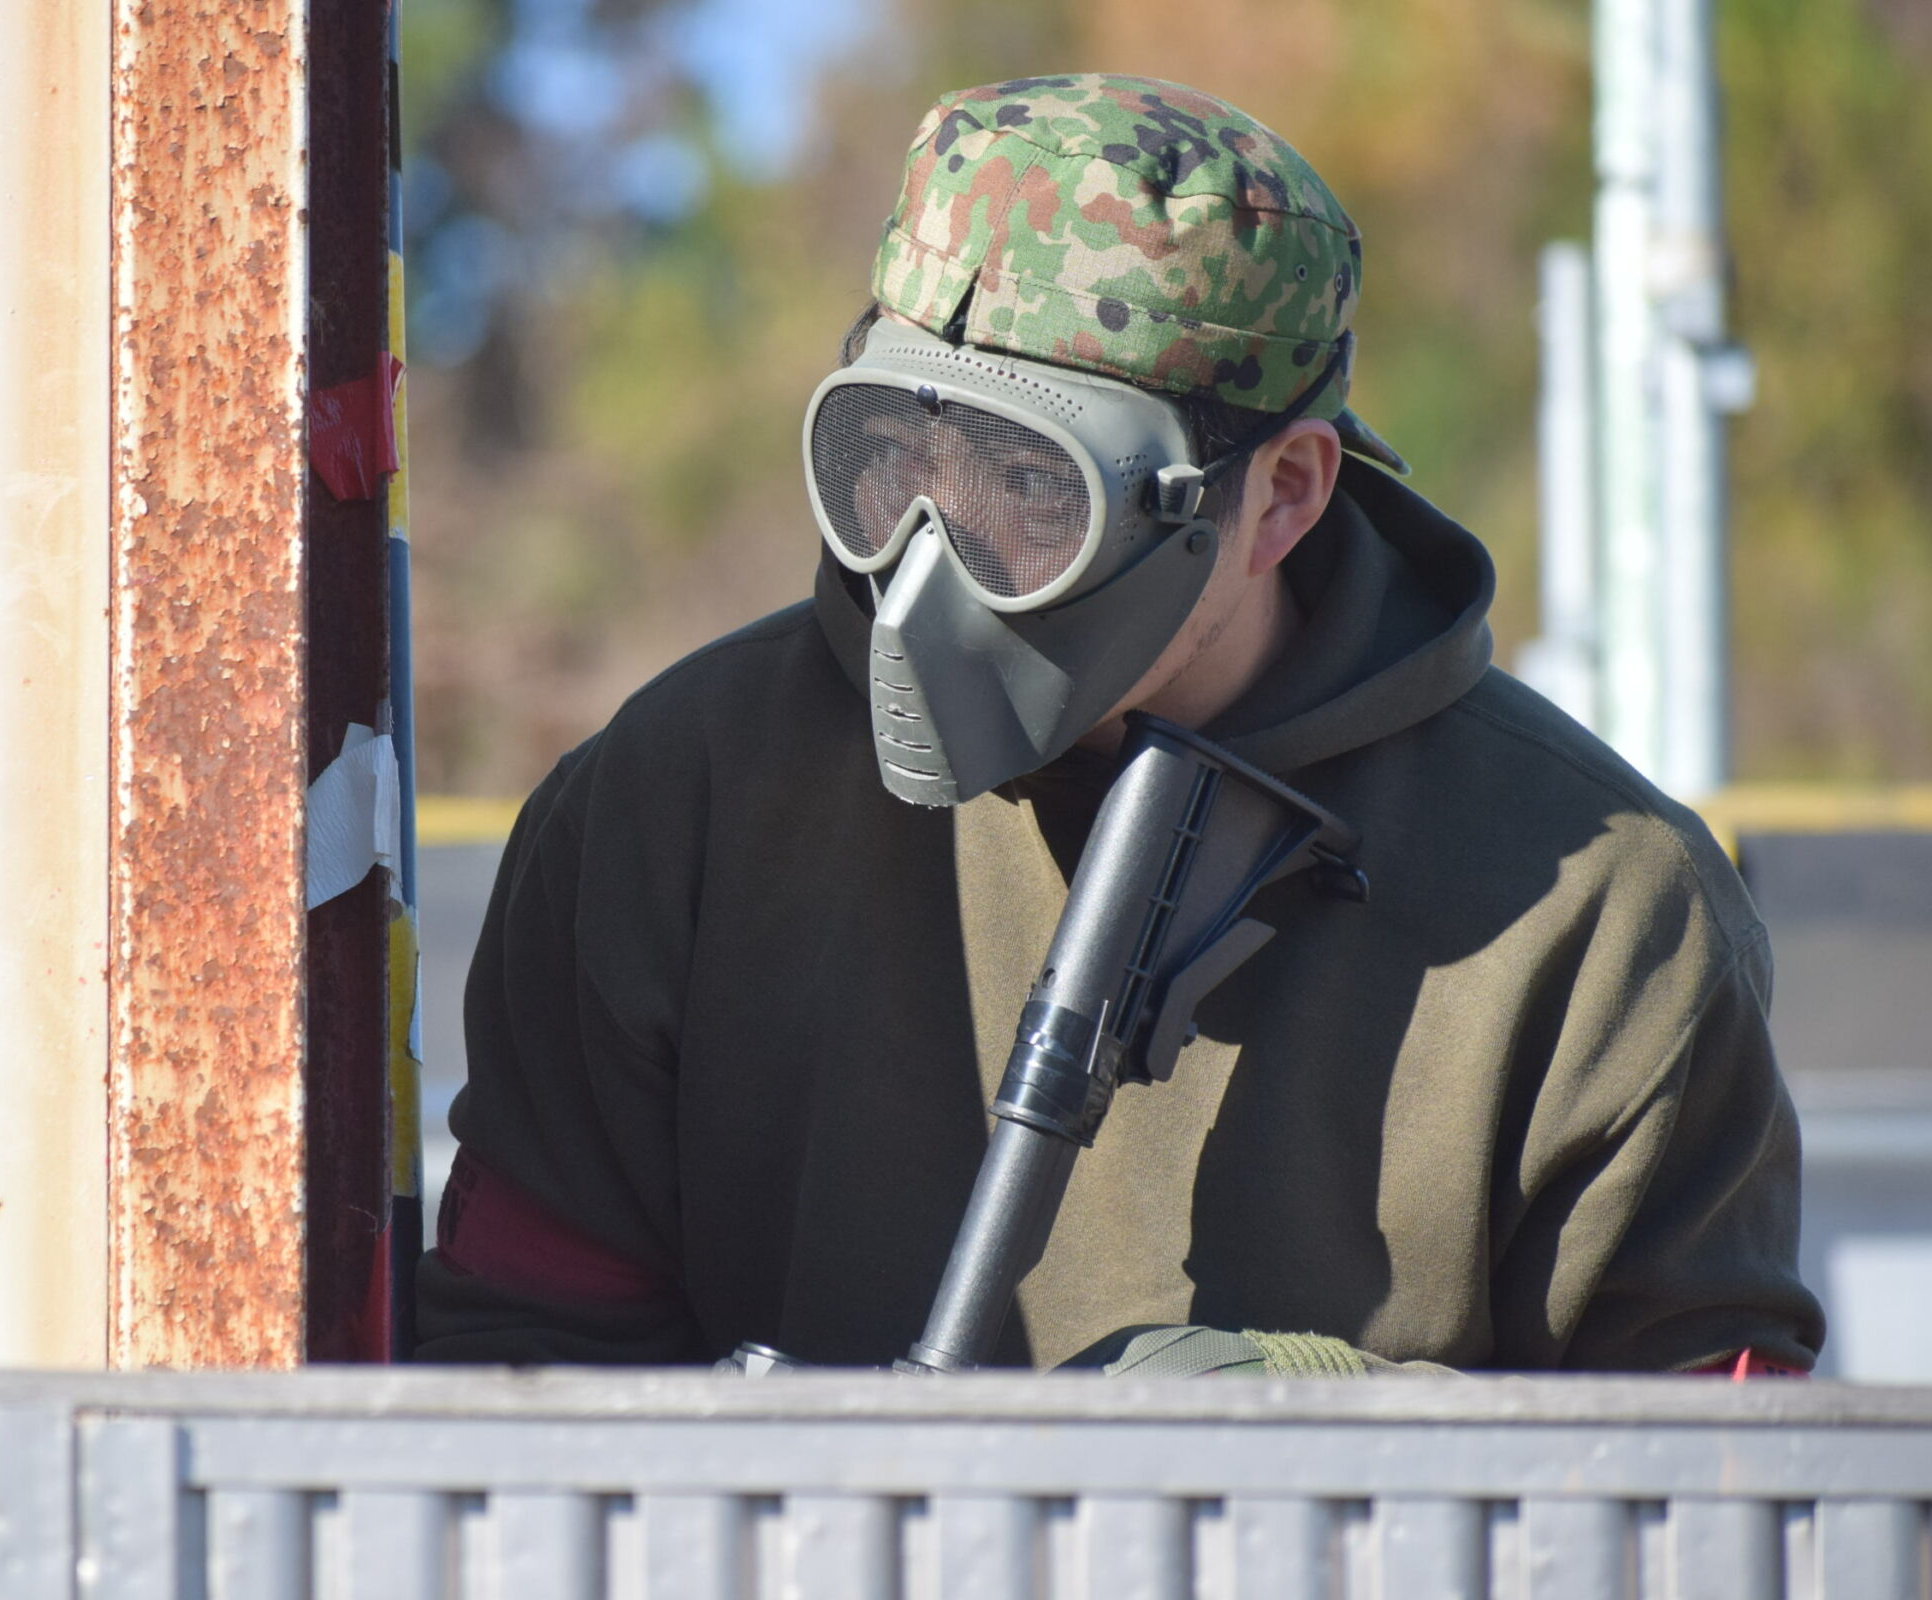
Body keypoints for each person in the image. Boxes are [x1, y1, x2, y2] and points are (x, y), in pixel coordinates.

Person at [413, 73, 1824, 1376]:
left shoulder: (1601, 919)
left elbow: (1701, 1508)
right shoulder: (677, 804)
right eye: (889, 458)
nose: (929, 568)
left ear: (1282, 496)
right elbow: (516, 1386)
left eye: (1036, 492)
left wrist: (1318, 1441)